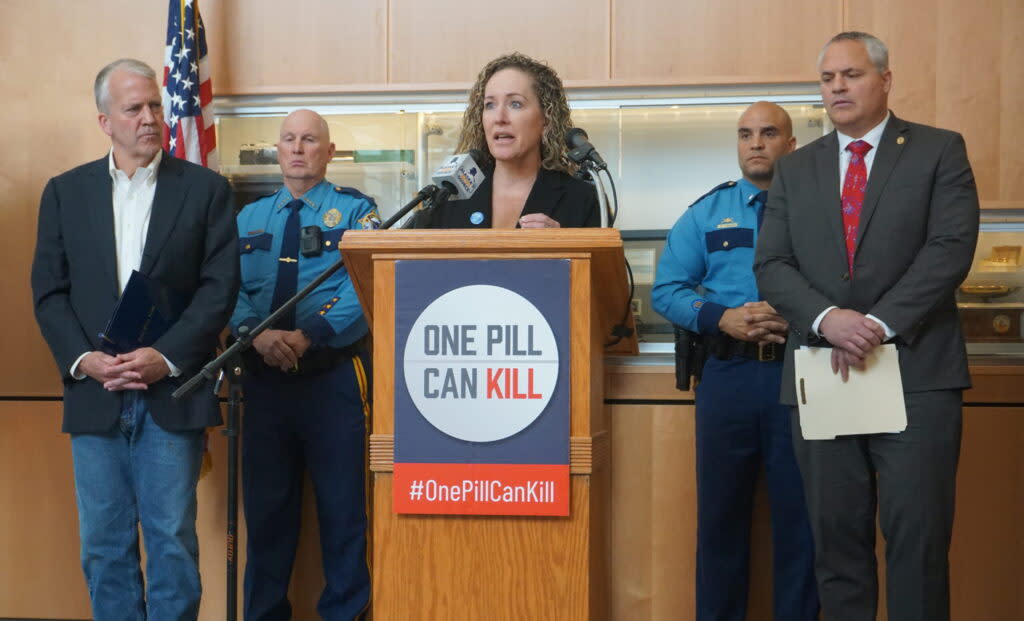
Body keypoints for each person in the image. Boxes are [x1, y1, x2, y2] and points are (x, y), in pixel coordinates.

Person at [754, 32, 979, 621]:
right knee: (837, 546)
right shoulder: (796, 169)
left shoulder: (937, 150)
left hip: (916, 373)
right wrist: (831, 320)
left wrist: (877, 324)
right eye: (827, 78)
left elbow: (950, 250)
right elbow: (771, 265)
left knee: (918, 543)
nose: (837, 87)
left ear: (884, 79)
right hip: (825, 375)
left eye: (851, 75)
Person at [30, 58, 239, 620]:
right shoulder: (64, 193)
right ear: (105, 121)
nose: (150, 118)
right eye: (134, 109)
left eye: (155, 105)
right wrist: (84, 360)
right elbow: (49, 293)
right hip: (94, 397)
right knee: (104, 547)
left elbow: (220, 289)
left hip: (172, 394)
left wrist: (164, 357)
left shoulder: (205, 190)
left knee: (172, 542)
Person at [651, 102, 819, 621]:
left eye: (769, 133)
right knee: (720, 524)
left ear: (791, 145)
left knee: (805, 526)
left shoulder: (821, 211)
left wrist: (803, 314)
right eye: (746, 134)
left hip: (803, 378)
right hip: (729, 379)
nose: (756, 143)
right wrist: (719, 317)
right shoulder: (708, 212)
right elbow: (666, 290)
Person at [230, 109, 379, 621]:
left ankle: (345, 614)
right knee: (268, 516)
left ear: (329, 152)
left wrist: (306, 335)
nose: (297, 148)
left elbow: (364, 286)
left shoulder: (357, 213)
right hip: (265, 384)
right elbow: (229, 290)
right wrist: (259, 335)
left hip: (332, 380)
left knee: (344, 514)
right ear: (278, 149)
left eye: (310, 140)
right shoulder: (247, 218)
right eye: (289, 139)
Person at [410, 52, 599, 229]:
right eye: (490, 105)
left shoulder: (582, 198)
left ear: (546, 119)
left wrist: (565, 247)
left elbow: (603, 264)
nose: (499, 117)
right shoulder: (450, 197)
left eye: (515, 104)